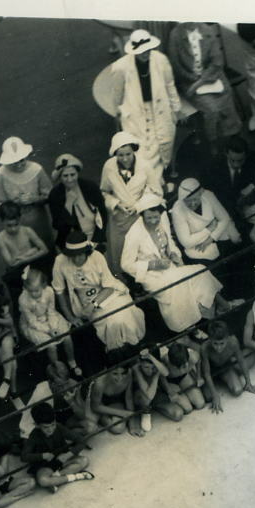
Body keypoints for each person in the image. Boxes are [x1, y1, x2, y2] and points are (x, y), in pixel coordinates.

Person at [121, 193, 210, 334]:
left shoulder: (162, 222)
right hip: (151, 276)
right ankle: (186, 327)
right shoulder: (134, 234)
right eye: (149, 218)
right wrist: (153, 265)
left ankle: (203, 317)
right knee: (177, 283)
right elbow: (125, 265)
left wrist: (175, 254)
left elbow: (170, 243)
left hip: (170, 267)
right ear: (142, 216)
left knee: (201, 272)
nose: (153, 221)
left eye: (156, 217)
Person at [52, 229, 146, 353]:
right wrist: (71, 317)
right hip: (86, 301)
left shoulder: (97, 257)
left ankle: (135, 345)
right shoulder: (60, 261)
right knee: (113, 322)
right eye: (72, 255)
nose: (76, 259)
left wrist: (94, 304)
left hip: (110, 294)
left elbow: (108, 286)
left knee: (124, 314)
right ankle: (116, 352)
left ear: (86, 252)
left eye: (80, 254)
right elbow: (59, 291)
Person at [109, 29, 189, 175]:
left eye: (148, 50)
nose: (146, 53)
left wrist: (177, 109)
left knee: (162, 142)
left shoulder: (161, 60)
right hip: (136, 112)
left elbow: (170, 85)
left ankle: (162, 174)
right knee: (142, 149)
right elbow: (117, 94)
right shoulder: (121, 67)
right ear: (133, 51)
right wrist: (118, 112)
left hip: (159, 108)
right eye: (141, 51)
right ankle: (150, 181)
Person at [164, 21, 245, 149]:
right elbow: (176, 67)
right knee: (212, 109)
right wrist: (194, 81)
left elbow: (217, 61)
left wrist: (201, 81)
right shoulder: (175, 35)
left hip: (211, 78)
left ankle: (231, 140)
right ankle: (213, 143)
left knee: (227, 101)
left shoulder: (207, 30)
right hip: (188, 81)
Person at [99, 131, 164, 273]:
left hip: (139, 217)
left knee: (139, 252)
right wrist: (116, 204)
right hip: (118, 218)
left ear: (133, 150)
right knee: (119, 252)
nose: (125, 159)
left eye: (128, 154)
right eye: (120, 155)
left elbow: (157, 191)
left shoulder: (145, 166)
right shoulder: (109, 166)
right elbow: (104, 192)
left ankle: (140, 282)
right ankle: (123, 280)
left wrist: (138, 206)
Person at [0, 136, 54, 247]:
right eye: (14, 162)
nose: (19, 165)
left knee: (46, 246)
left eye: (22, 160)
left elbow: (51, 195)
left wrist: (34, 199)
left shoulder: (36, 169)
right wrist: (14, 204)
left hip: (39, 220)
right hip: (16, 224)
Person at [203, 134, 255, 229]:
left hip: (246, 204)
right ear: (226, 154)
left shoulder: (252, 157)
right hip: (222, 207)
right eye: (232, 160)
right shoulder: (214, 164)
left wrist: (254, 185)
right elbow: (208, 193)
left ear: (246, 155)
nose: (236, 165)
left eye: (240, 160)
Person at [17, 262, 80, 375]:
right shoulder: (23, 299)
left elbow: (51, 311)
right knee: (51, 345)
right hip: (33, 324)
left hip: (49, 317)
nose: (34, 294)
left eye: (37, 290)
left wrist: (53, 327)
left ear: (44, 285)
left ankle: (72, 362)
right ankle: (57, 370)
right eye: (31, 291)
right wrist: (48, 331)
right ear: (26, 288)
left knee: (66, 336)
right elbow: (31, 321)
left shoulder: (49, 291)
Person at [23, 400, 94, 487]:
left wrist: (68, 454)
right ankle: (76, 476)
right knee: (43, 480)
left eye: (53, 425)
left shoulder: (59, 427)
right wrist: (42, 456)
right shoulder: (34, 435)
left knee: (84, 460)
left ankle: (56, 479)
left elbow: (81, 440)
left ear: (55, 420)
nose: (51, 430)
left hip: (62, 459)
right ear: (37, 425)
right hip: (45, 465)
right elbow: (24, 456)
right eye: (46, 427)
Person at [47, 151, 107, 252]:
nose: (70, 179)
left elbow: (103, 214)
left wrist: (96, 240)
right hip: (71, 241)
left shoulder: (90, 187)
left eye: (72, 174)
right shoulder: (55, 195)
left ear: (77, 173)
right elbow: (58, 225)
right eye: (65, 176)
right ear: (60, 177)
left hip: (94, 236)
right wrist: (68, 205)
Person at [204, 317, 255, 402]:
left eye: (222, 343)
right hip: (212, 371)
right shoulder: (204, 348)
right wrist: (215, 395)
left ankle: (231, 374)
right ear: (210, 340)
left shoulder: (233, 341)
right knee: (208, 398)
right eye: (215, 343)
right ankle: (228, 376)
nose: (218, 348)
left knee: (237, 390)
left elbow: (241, 361)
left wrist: (248, 383)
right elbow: (206, 373)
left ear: (227, 338)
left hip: (226, 367)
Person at [0, 199, 48, 277]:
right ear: (2, 222)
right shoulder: (0, 237)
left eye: (16, 224)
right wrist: (31, 252)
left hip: (33, 263)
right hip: (17, 269)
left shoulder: (27, 230)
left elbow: (45, 250)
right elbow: (11, 263)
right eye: (9, 225)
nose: (13, 229)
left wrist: (22, 258)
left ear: (20, 219)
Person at [161, 336, 214, 415]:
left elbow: (198, 360)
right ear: (172, 364)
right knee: (187, 409)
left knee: (200, 404)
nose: (184, 367)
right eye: (181, 366)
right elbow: (161, 376)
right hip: (170, 382)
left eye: (186, 364)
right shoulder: (165, 361)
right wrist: (169, 390)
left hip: (184, 377)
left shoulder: (193, 356)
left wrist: (198, 376)